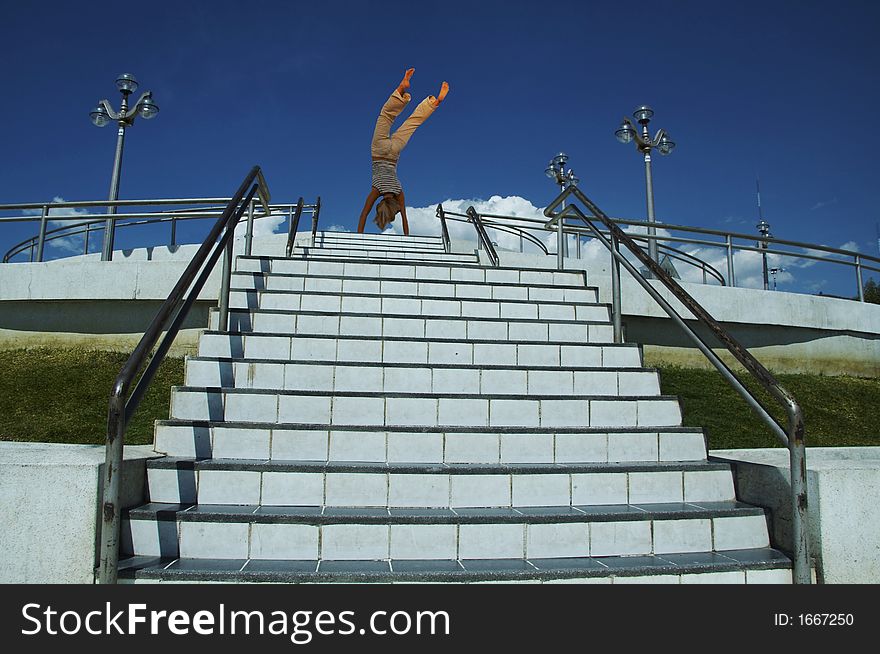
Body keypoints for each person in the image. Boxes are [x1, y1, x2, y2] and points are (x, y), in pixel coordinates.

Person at [357, 68, 449, 235]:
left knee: (412, 124)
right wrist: (359, 237)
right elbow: (364, 214)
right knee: (386, 116)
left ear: (394, 208)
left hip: (394, 153)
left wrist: (407, 238)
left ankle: (434, 103)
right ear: (381, 206)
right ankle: (401, 89)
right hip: (378, 152)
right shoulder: (376, 189)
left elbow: (405, 219)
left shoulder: (399, 190)